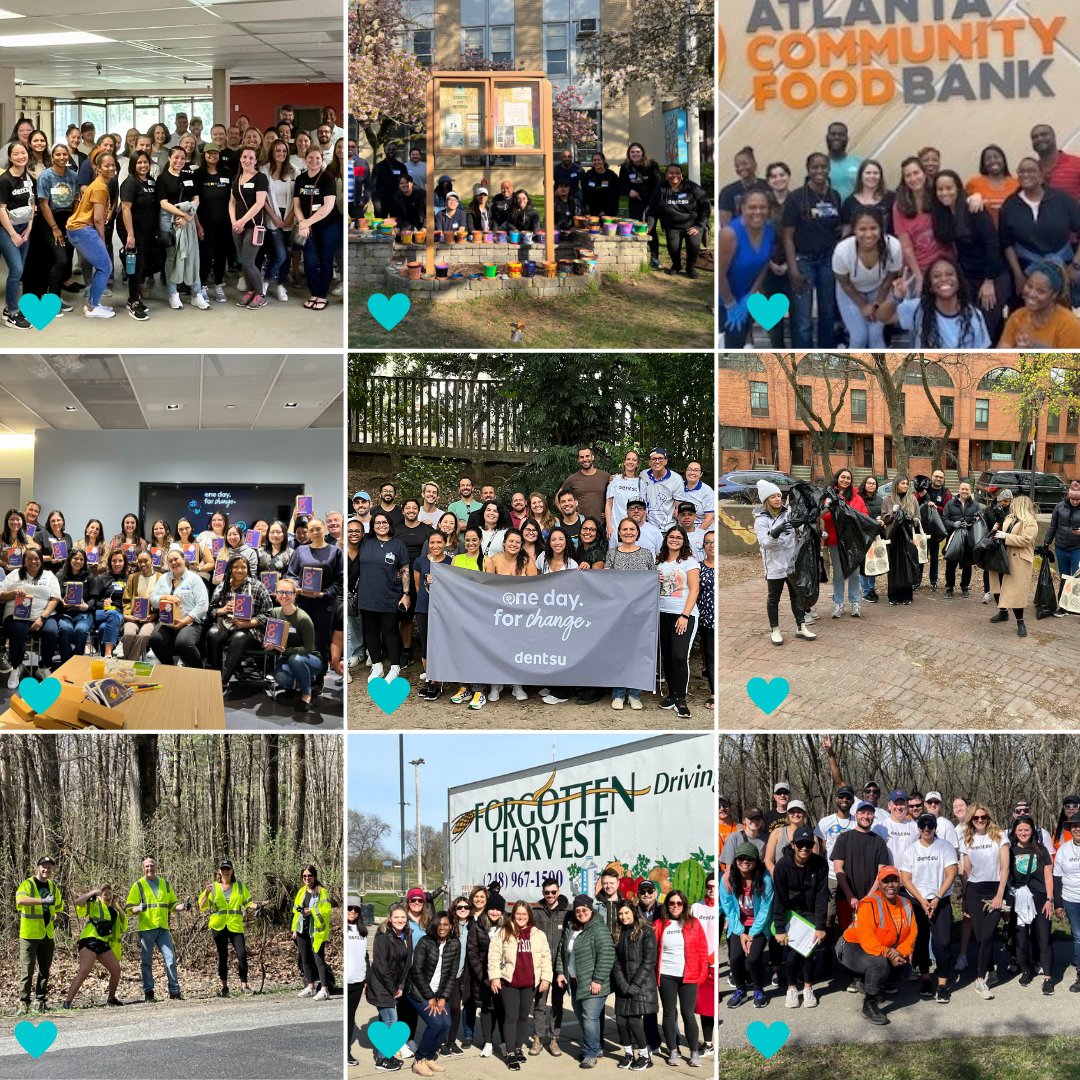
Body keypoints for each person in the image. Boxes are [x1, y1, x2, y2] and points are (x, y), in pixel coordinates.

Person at [835, 866, 917, 1025]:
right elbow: (868, 941)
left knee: (904, 970)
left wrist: (899, 953)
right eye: (886, 881)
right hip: (851, 947)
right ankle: (869, 1004)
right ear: (879, 884)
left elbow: (912, 934)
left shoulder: (906, 903)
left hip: (883, 949)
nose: (891, 885)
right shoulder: (869, 904)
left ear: (900, 883)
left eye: (894, 881)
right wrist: (888, 954)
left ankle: (866, 983)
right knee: (879, 964)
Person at [999, 157, 1080, 309]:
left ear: (1042, 175)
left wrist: (1076, 266)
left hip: (1062, 269)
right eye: (1021, 171)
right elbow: (1006, 243)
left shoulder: (1063, 200)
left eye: (1030, 170)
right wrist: (1018, 275)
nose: (1025, 175)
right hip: (1026, 272)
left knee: (1061, 315)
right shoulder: (1010, 205)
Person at [782, 152, 843, 347]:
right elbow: (787, 236)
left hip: (828, 261)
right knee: (803, 319)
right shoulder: (796, 198)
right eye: (815, 167)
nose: (819, 171)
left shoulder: (835, 196)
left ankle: (827, 354)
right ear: (808, 170)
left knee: (827, 313)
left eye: (823, 167)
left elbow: (838, 228)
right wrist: (793, 269)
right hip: (804, 261)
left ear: (828, 169)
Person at [898, 814, 958, 1003]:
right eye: (922, 826)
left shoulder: (945, 847)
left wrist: (938, 896)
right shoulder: (911, 850)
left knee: (943, 943)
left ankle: (942, 984)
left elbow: (951, 872)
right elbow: (905, 878)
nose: (926, 829)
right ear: (918, 828)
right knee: (920, 942)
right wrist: (922, 900)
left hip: (940, 901)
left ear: (935, 827)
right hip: (918, 902)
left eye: (930, 825)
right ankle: (925, 978)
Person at [488, 901, 552, 1071]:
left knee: (523, 1017)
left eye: (524, 914)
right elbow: (493, 955)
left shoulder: (538, 934)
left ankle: (517, 1048)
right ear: (513, 915)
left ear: (529, 915)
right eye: (518, 914)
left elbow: (546, 957)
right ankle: (509, 1052)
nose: (521, 917)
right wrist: (494, 977)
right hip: (509, 982)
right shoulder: (504, 931)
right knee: (511, 1016)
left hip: (529, 983)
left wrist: (546, 978)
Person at [554, 895, 614, 1070]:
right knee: (582, 1016)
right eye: (578, 910)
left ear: (591, 910)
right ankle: (596, 1047)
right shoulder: (571, 928)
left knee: (589, 1018)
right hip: (574, 981)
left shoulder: (599, 929)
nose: (581, 913)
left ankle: (590, 1054)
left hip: (593, 983)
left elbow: (607, 955)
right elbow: (562, 952)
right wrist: (560, 972)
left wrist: (597, 980)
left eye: (584, 910)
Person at [771, 825, 829, 1009]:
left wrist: (820, 926)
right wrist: (779, 928)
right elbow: (778, 899)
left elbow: (821, 897)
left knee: (809, 950)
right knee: (794, 952)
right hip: (790, 913)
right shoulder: (781, 866)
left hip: (810, 912)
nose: (804, 848)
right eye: (801, 844)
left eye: (808, 845)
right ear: (793, 844)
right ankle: (791, 988)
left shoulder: (820, 864)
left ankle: (808, 987)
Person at [832, 208, 903, 347]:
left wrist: (877, 305)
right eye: (862, 229)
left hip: (880, 289)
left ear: (881, 228)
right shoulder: (842, 250)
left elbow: (889, 280)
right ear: (854, 230)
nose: (868, 234)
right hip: (850, 291)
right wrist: (863, 306)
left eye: (873, 228)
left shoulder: (893, 246)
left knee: (875, 337)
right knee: (859, 336)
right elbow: (845, 284)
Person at [959, 804, 1009, 1000]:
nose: (980, 820)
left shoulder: (999, 835)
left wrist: (999, 895)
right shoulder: (967, 839)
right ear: (971, 819)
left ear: (988, 817)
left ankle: (980, 980)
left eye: (984, 817)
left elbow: (1004, 868)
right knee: (980, 938)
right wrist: (965, 897)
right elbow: (966, 872)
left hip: (994, 888)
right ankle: (992, 971)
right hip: (974, 890)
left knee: (988, 935)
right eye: (976, 818)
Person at [653, 889, 707, 1066]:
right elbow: (653, 951)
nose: (675, 906)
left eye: (679, 903)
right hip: (666, 975)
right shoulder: (660, 924)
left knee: (688, 1014)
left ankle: (693, 1052)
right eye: (671, 903)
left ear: (684, 905)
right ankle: (673, 1051)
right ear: (667, 905)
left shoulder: (693, 923)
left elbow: (702, 949)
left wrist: (702, 973)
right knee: (669, 1013)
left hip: (688, 975)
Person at [720, 843, 773, 1010]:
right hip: (738, 924)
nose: (745, 861)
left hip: (759, 925)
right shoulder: (727, 878)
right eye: (741, 858)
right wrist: (741, 932)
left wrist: (752, 934)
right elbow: (728, 907)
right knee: (736, 958)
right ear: (736, 860)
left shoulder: (764, 879)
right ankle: (740, 990)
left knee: (753, 958)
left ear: (756, 861)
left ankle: (758, 990)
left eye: (749, 858)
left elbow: (765, 910)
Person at [719, 189, 774, 348]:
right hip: (726, 302)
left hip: (746, 300)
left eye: (762, 207)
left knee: (740, 343)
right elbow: (720, 274)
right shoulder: (729, 234)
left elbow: (764, 264)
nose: (758, 211)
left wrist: (750, 296)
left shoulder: (769, 229)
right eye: (752, 207)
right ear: (742, 208)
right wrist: (731, 304)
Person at [126, 856, 186, 1002]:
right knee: (146, 962)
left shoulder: (165, 884)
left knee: (170, 958)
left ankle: (174, 992)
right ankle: (149, 992)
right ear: (143, 868)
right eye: (146, 866)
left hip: (163, 928)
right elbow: (128, 908)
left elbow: (173, 905)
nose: (149, 869)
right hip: (146, 929)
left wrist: (183, 907)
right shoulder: (138, 885)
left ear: (156, 867)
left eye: (151, 865)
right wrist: (138, 908)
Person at [1006, 815, 1055, 995]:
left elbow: (1048, 875)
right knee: (1021, 939)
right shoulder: (1010, 851)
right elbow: (1006, 877)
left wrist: (1050, 899)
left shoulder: (1041, 850)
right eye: (1020, 830)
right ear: (1015, 832)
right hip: (1019, 899)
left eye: (1026, 829)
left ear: (1032, 830)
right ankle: (1026, 970)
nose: (1023, 833)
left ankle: (1048, 977)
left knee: (1043, 938)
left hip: (1040, 899)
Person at [406, 911, 458, 1076]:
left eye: (446, 924)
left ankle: (429, 1057)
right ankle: (419, 1060)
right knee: (436, 1023)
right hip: (418, 991)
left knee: (446, 1024)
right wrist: (430, 998)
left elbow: (452, 974)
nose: (442, 927)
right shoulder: (425, 942)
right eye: (439, 924)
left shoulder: (455, 944)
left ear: (450, 927)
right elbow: (417, 972)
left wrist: (442, 997)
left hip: (439, 993)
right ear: (434, 925)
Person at [60, 883, 127, 1009]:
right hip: (89, 940)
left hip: (103, 943)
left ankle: (111, 998)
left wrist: (118, 908)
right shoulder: (94, 903)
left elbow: (121, 929)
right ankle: (67, 1003)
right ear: (100, 895)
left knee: (116, 970)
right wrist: (93, 893)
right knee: (85, 970)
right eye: (104, 894)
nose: (108, 896)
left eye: (109, 894)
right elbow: (77, 902)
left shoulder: (113, 912)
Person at [1, 546, 61, 686]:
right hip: (17, 614)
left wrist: (42, 618)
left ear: (41, 560)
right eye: (29, 558)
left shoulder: (49, 575)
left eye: (36, 558)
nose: (33, 561)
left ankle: (44, 666)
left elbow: (55, 598)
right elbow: (2, 596)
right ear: (24, 560)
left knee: (51, 631)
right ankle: (16, 666)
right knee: (17, 630)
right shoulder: (14, 574)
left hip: (43, 614)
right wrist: (13, 593)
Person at [892, 155, 951, 295]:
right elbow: (906, 246)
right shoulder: (899, 207)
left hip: (946, 263)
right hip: (920, 266)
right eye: (908, 175)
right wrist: (919, 276)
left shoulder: (939, 195)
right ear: (904, 180)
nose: (913, 178)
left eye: (916, 173)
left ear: (924, 173)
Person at [197, 860, 257, 996]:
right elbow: (201, 906)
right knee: (222, 956)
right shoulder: (213, 887)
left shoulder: (239, 886)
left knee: (242, 954)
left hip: (235, 926)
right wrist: (206, 894)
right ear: (219, 871)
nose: (225, 871)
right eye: (223, 868)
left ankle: (244, 985)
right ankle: (225, 987)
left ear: (232, 870)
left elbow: (248, 903)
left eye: (228, 868)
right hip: (218, 926)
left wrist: (258, 906)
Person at [610, 899, 658, 1070]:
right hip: (624, 985)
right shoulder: (617, 931)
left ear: (633, 913)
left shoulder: (646, 931)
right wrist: (622, 983)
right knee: (621, 1022)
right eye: (621, 914)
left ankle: (645, 1056)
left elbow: (649, 960)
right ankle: (629, 1054)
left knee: (634, 1022)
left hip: (641, 985)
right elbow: (614, 961)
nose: (623, 917)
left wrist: (635, 985)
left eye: (627, 913)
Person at [831, 800, 891, 935]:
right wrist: (849, 895)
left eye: (869, 813)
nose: (866, 816)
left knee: (870, 936)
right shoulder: (844, 838)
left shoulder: (879, 842)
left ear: (873, 816)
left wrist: (869, 898)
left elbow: (881, 873)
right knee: (848, 936)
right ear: (856, 815)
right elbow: (838, 868)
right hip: (846, 899)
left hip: (872, 899)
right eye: (862, 812)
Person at [16, 856, 64, 1015]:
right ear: (38, 867)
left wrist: (56, 917)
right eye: (44, 866)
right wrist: (42, 901)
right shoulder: (28, 884)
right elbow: (21, 900)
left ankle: (40, 1001)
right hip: (29, 935)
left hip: (46, 935)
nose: (46, 870)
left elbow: (59, 907)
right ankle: (24, 1003)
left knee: (44, 970)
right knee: (27, 970)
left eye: (49, 867)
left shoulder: (52, 886)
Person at [294, 146, 339, 311]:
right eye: (310, 158)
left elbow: (328, 207)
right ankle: (313, 293)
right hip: (307, 226)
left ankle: (322, 296)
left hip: (328, 226)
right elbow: (296, 204)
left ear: (322, 160)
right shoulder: (300, 179)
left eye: (317, 158)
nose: (314, 161)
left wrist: (306, 223)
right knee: (310, 261)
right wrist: (302, 222)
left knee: (326, 261)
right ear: (305, 159)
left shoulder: (327, 178)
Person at [987, 492, 1038, 637]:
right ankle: (1003, 613)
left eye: (1014, 504)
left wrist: (1005, 536)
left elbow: (1025, 540)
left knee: (1016, 593)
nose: (1011, 506)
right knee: (998, 586)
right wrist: (997, 530)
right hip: (1002, 556)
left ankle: (1020, 622)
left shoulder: (1030, 522)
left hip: (1019, 561)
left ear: (1021, 505)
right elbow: (1002, 534)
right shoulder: (1009, 518)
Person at [368, 902, 411, 1072]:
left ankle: (384, 1056)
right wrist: (393, 988)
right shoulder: (383, 936)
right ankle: (381, 1061)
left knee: (386, 1021)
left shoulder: (406, 935)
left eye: (403, 917)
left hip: (393, 984)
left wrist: (401, 984)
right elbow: (381, 966)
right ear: (390, 919)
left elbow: (407, 963)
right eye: (397, 917)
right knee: (392, 1020)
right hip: (380, 984)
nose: (400, 920)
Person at [647, 163, 710, 279]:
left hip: (693, 224)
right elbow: (652, 210)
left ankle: (690, 267)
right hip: (672, 226)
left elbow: (705, 206)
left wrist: (699, 225)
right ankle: (676, 265)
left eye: (677, 173)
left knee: (693, 244)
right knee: (673, 247)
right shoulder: (661, 188)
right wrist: (649, 226)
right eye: (671, 173)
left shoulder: (692, 187)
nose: (674, 175)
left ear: (681, 175)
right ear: (666, 175)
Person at [999, 259, 1080, 348]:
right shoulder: (1017, 316)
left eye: (1040, 291)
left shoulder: (1069, 324)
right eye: (1029, 286)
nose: (1031, 294)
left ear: (1054, 294)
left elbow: (1071, 361)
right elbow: (1000, 357)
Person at [149, 548, 209, 668]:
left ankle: (199, 671)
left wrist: (184, 621)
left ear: (184, 559)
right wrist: (166, 597)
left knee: (183, 643)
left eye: (176, 559)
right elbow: (153, 599)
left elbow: (202, 605)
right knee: (155, 639)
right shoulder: (163, 578)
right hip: (167, 621)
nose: (173, 562)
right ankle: (170, 668)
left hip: (190, 622)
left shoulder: (194, 579)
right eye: (170, 561)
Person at [821, 467, 869, 617]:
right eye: (843, 477)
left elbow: (864, 515)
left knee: (854, 573)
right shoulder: (828, 495)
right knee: (839, 573)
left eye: (848, 478)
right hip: (835, 540)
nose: (845, 480)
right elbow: (824, 517)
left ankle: (855, 603)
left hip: (852, 542)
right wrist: (833, 507)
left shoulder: (856, 497)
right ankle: (838, 604)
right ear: (837, 478)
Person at [0, 141, 37, 330]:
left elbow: (32, 203)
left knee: (20, 271)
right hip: (7, 230)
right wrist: (13, 234)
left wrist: (29, 227)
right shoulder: (4, 180)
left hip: (24, 228)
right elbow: (1, 210)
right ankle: (12, 312)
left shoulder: (28, 178)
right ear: (10, 157)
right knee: (16, 270)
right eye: (16, 154)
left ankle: (11, 308)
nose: (20, 156)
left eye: (23, 153)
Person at [530, 880, 568, 1057]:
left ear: (558, 891)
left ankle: (554, 1039)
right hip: (541, 967)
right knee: (539, 1004)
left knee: (557, 1005)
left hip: (561, 967)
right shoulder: (535, 911)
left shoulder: (568, 911)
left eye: (553, 892)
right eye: (547, 892)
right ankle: (538, 1038)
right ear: (543, 892)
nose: (550, 896)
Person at [880, 476, 924, 606]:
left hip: (908, 538)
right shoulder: (887, 499)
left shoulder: (912, 499)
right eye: (902, 483)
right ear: (896, 485)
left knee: (907, 565)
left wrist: (912, 519)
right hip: (893, 536)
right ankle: (893, 595)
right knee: (893, 566)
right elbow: (883, 518)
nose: (905, 486)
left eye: (907, 483)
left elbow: (918, 517)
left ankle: (906, 595)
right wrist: (891, 512)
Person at [293, 864, 333, 1000]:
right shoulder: (301, 892)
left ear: (314, 876)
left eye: (309, 875)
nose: (307, 878)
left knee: (318, 959)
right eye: (304, 876)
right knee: (305, 959)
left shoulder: (322, 892)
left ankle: (324, 989)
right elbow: (295, 912)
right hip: (302, 929)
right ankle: (310, 986)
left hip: (316, 932)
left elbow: (327, 911)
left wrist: (312, 911)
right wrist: (294, 929)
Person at [620, 142, 661, 267]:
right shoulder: (625, 167)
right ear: (629, 154)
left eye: (638, 151)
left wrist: (651, 204)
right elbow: (621, 183)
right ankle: (636, 257)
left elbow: (657, 186)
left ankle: (654, 258)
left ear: (642, 152)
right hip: (635, 202)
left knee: (650, 230)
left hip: (651, 202)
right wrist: (629, 191)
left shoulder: (652, 165)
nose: (635, 154)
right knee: (634, 229)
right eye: (632, 152)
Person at [1043, 480, 1080, 613]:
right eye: (1072, 499)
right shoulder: (1060, 507)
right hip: (1061, 546)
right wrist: (1047, 542)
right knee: (1064, 576)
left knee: (1077, 578)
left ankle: (1075, 606)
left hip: (1077, 548)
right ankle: (1063, 606)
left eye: (1078, 499)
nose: (1075, 502)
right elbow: (1053, 526)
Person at [940, 480, 979, 599]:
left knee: (967, 564)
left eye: (967, 489)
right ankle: (949, 587)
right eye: (962, 489)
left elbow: (979, 520)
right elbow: (944, 519)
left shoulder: (975, 505)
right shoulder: (950, 504)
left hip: (968, 539)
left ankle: (965, 587)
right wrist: (953, 524)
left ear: (970, 491)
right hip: (953, 538)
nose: (964, 491)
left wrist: (974, 522)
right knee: (951, 564)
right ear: (959, 489)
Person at [916, 469, 952, 591]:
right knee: (921, 555)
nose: (938, 479)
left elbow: (948, 509)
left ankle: (933, 581)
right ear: (931, 477)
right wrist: (921, 497)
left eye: (941, 477)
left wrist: (937, 508)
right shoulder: (924, 488)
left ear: (943, 479)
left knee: (935, 557)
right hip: (922, 528)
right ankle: (917, 580)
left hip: (937, 529)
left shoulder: (946, 492)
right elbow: (915, 504)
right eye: (936, 476)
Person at [839, 158, 894, 237]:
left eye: (875, 173)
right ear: (861, 176)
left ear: (880, 176)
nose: (872, 176)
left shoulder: (891, 198)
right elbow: (846, 230)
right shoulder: (849, 202)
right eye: (868, 173)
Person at [718, 147, 770, 226]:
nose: (741, 168)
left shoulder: (768, 186)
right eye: (737, 166)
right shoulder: (727, 192)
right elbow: (725, 225)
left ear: (755, 164)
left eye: (744, 164)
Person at [826, 121, 862, 200]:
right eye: (833, 134)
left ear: (847, 139)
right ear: (827, 137)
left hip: (854, 210)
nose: (837, 137)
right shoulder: (819, 165)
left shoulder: (859, 163)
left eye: (841, 135)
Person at [581, 152, 620, 218]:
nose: (596, 162)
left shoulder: (611, 175)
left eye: (599, 160)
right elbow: (585, 192)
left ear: (603, 161)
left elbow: (615, 195)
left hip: (609, 211)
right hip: (593, 211)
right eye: (594, 160)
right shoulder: (588, 175)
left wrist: (606, 211)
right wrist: (587, 208)